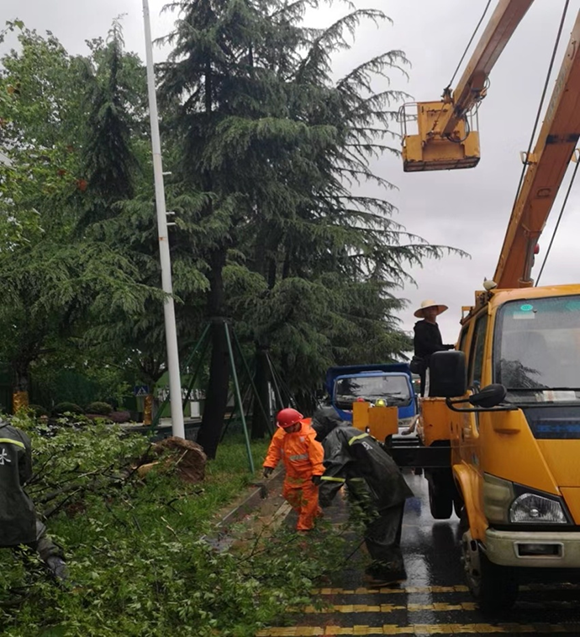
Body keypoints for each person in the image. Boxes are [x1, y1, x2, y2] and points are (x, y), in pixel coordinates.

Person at [312, 407, 413, 587]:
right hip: (391, 486)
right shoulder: (351, 431)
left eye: (317, 426)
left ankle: (387, 575)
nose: (315, 430)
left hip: (378, 491)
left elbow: (335, 466)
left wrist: (324, 497)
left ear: (325, 424)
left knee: (378, 534)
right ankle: (389, 570)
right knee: (387, 534)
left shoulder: (335, 436)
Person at [0, 420, 67, 581]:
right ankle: (66, 586)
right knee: (43, 546)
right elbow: (24, 476)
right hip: (17, 515)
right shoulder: (17, 436)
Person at [262, 407, 325, 532]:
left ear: (295, 424)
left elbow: (318, 455)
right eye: (283, 428)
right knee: (289, 495)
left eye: (287, 427)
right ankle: (314, 514)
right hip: (292, 474)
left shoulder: (309, 435)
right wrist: (269, 464)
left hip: (309, 475)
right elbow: (274, 449)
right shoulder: (281, 433)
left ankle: (304, 528)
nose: (285, 430)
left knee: (308, 502)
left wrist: (318, 472)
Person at [413, 299, 455, 396]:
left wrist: (451, 346)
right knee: (428, 388)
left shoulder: (435, 326)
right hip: (426, 364)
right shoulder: (421, 327)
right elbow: (428, 346)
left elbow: (436, 345)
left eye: (433, 309)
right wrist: (445, 350)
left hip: (436, 363)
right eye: (428, 309)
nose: (431, 311)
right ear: (424, 313)